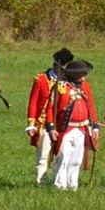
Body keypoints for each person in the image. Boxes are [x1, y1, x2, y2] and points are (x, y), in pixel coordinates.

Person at [50, 60, 99, 191]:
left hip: (82, 128)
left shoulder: (85, 86)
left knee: (76, 159)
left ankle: (73, 185)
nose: (84, 75)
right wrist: (51, 128)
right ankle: (60, 186)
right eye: (82, 73)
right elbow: (50, 108)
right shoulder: (61, 86)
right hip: (65, 128)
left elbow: (91, 106)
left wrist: (94, 125)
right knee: (63, 158)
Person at [27, 48, 70, 185]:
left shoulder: (68, 82)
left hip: (62, 124)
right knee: (43, 156)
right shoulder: (41, 80)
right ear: (56, 66)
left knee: (61, 155)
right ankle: (42, 183)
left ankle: (59, 181)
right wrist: (31, 123)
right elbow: (33, 102)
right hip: (44, 123)